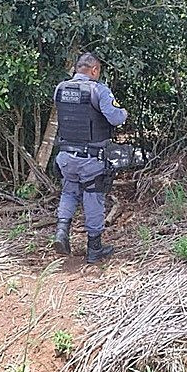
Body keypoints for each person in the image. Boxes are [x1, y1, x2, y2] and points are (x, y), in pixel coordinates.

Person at [52, 52, 128, 263]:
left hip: (65, 157)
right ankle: (94, 248)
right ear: (94, 70)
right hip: (90, 159)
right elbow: (115, 118)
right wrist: (123, 112)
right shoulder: (98, 90)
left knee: (69, 192)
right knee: (93, 197)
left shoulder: (61, 88)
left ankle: (61, 232)